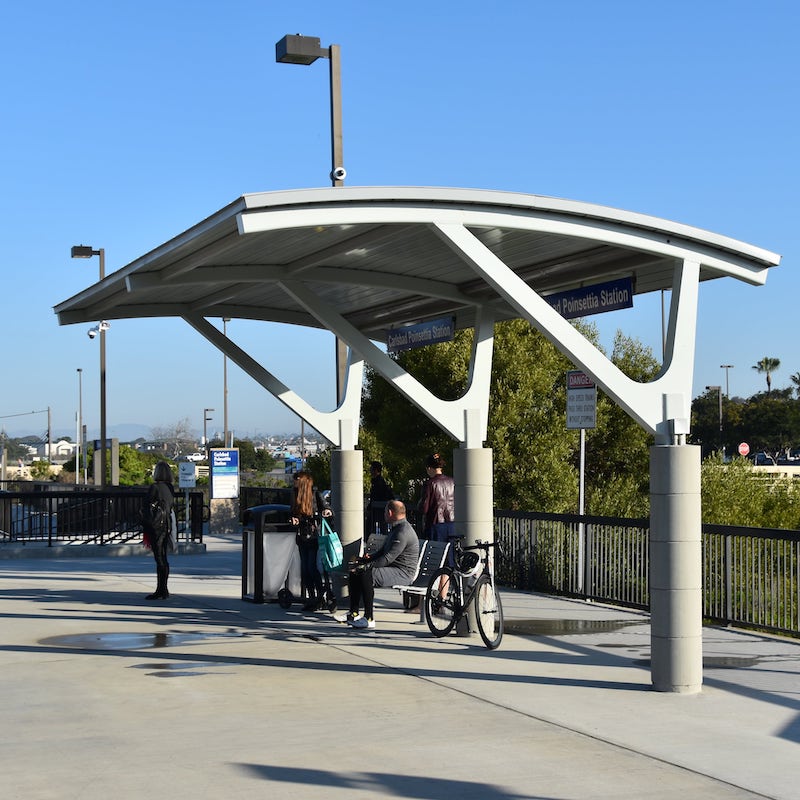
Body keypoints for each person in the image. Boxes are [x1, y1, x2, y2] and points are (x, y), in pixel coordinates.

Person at [334, 499, 419, 630]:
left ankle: (369, 618)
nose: (384, 514)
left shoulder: (403, 532)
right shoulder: (397, 528)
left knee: (366, 573)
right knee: (356, 570)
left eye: (385, 511)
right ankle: (353, 613)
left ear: (390, 512)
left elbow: (388, 558)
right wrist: (366, 560)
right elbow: (383, 551)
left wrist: (368, 566)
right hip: (393, 567)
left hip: (403, 572)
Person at [290, 471, 332, 612]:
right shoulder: (295, 494)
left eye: (296, 479)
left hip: (313, 535)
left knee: (311, 567)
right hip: (301, 535)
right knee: (305, 569)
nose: (294, 482)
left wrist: (327, 511)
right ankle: (312, 597)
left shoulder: (315, 494)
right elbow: (292, 513)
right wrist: (294, 519)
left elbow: (325, 507)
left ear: (303, 482)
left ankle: (319, 597)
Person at [142, 461, 175, 600]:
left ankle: (161, 589)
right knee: (163, 557)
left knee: (159, 558)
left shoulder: (154, 487)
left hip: (156, 526)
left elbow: (146, 506)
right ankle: (163, 588)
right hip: (167, 524)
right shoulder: (170, 487)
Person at [419, 453, 455, 542]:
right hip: (452, 522)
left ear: (429, 468)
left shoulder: (430, 483)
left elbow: (424, 508)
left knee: (436, 553)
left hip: (435, 524)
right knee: (451, 552)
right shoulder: (452, 481)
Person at [367, 461, 394, 535]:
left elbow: (376, 495)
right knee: (381, 527)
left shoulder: (378, 482)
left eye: (371, 469)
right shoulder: (379, 481)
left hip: (379, 508)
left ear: (375, 470)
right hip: (379, 508)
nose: (370, 471)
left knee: (378, 527)